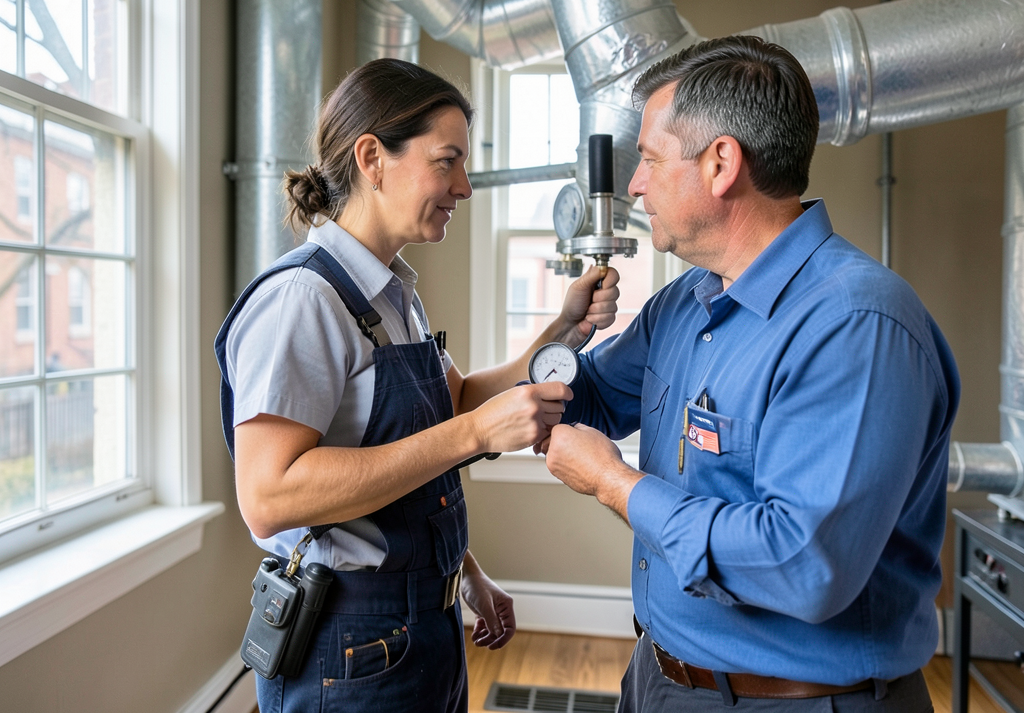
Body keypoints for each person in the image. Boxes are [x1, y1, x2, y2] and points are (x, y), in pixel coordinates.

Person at [541, 35, 957, 712]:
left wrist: (614, 484)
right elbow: (578, 400)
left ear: (721, 163)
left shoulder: (856, 325)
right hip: (657, 677)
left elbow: (802, 566)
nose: (637, 182)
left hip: (803, 699)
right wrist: (565, 331)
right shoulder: (685, 301)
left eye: (648, 158)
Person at [214, 58, 619, 713]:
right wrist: (474, 435)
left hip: (420, 627)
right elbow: (270, 495)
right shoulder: (302, 301)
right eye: (447, 160)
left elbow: (453, 405)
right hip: (350, 647)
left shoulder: (392, 293)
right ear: (373, 157)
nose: (463, 186)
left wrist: (563, 330)